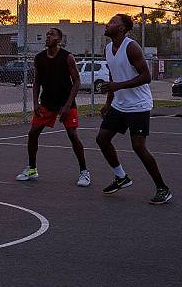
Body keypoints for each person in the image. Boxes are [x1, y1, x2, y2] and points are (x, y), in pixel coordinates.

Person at [96, 14, 172, 204]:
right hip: (119, 104)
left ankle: (163, 188)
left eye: (113, 22)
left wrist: (118, 86)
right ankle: (121, 177)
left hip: (138, 105)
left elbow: (146, 77)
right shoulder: (107, 48)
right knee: (102, 139)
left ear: (122, 28)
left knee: (138, 146)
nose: (108, 24)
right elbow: (114, 78)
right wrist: (108, 102)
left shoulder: (131, 47)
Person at [16, 28, 90, 186]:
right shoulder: (39, 58)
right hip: (47, 103)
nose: (48, 36)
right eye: (47, 34)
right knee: (33, 133)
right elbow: (36, 82)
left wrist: (68, 105)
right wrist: (35, 102)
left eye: (52, 35)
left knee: (72, 135)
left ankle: (84, 172)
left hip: (66, 103)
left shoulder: (67, 57)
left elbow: (77, 82)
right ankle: (32, 168)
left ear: (59, 40)